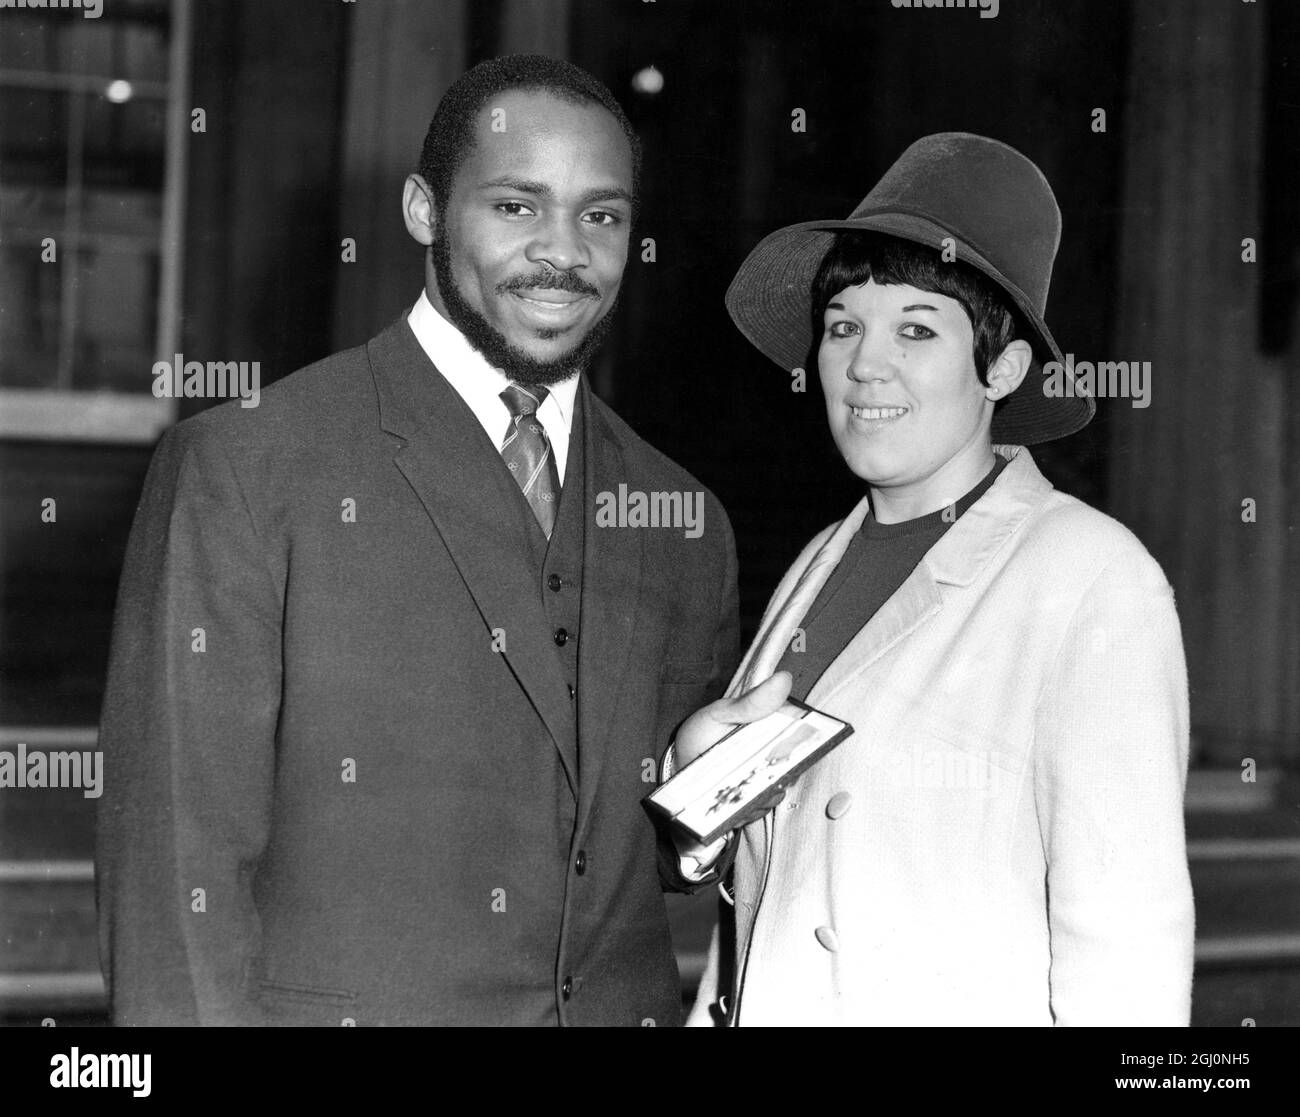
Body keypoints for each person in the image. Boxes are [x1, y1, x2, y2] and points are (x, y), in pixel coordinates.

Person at [95, 54, 739, 1027]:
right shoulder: (245, 465)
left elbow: (640, 857)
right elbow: (172, 877)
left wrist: (702, 793)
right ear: (423, 210)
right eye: (517, 207)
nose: (562, 254)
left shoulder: (683, 515)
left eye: (600, 215)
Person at [676, 133, 1194, 1026]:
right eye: (844, 325)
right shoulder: (817, 562)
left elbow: (1127, 960)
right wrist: (702, 779)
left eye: (917, 328)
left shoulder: (1090, 580)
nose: (865, 363)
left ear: (1002, 367)